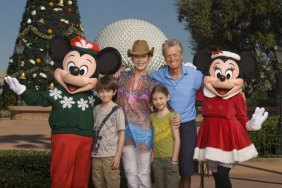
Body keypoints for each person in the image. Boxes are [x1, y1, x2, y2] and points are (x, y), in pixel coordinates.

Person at [150, 39, 203, 188]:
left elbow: (214, 86)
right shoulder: (157, 76)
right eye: (168, 56)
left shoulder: (195, 75)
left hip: (187, 127)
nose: (172, 58)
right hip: (167, 126)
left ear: (181, 56)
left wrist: (238, 93)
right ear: (164, 57)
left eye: (175, 55)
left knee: (185, 170)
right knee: (167, 166)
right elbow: (142, 83)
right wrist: (122, 73)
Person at [115, 40, 158, 188]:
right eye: (136, 56)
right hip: (124, 132)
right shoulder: (121, 77)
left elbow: (160, 107)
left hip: (144, 133)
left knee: (144, 173)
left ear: (149, 57)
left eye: (143, 56)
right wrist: (115, 71)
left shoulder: (153, 83)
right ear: (132, 58)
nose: (140, 60)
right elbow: (104, 90)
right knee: (129, 172)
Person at [91, 75, 125, 188]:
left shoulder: (118, 110)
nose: (104, 94)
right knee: (97, 183)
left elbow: (121, 134)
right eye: (101, 91)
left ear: (114, 92)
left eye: (108, 91)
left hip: (110, 155)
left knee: (112, 183)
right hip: (96, 155)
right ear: (98, 92)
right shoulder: (95, 109)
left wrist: (117, 156)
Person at [150, 84, 180, 188]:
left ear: (167, 97)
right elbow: (153, 137)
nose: (158, 102)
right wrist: (153, 155)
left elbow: (177, 139)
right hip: (157, 160)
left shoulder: (172, 116)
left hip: (170, 158)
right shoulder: (152, 117)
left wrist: (174, 160)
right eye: (155, 99)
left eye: (161, 98)